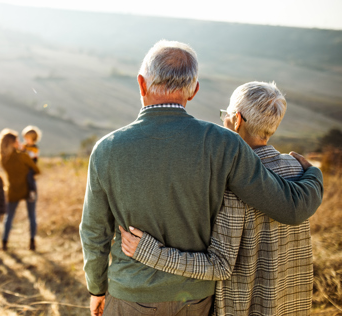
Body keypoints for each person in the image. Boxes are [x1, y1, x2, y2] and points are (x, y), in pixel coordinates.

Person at [79, 40, 323, 316]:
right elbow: (289, 207)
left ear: (141, 84)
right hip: (195, 299)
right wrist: (313, 173)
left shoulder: (107, 149)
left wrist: (96, 288)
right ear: (193, 90)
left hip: (130, 295)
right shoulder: (224, 143)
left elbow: (94, 231)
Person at [120, 81, 315, 315]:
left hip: (244, 308)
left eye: (226, 115)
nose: (223, 121)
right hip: (292, 305)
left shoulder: (231, 180)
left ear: (237, 120)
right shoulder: (298, 169)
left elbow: (220, 266)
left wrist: (151, 253)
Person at [0, 128, 40, 251]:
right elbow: (36, 169)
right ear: (13, 142)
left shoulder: (3, 159)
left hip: (13, 189)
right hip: (29, 188)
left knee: (9, 216)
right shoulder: (23, 156)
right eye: (17, 140)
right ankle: (32, 241)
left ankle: (4, 242)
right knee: (32, 215)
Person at [20, 125, 42, 202]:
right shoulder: (24, 146)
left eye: (27, 138)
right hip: (24, 166)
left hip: (31, 167)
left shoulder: (35, 148)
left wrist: (24, 151)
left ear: (33, 138)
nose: (25, 140)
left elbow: (31, 156)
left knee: (29, 176)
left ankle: (32, 191)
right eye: (25, 138)